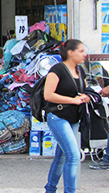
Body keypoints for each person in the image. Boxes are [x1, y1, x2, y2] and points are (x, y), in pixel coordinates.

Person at [44, 39, 91, 193]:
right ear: (71, 53)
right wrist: (73, 100)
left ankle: (50, 189)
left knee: (62, 156)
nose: (85, 54)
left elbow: (84, 90)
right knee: (73, 155)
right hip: (57, 116)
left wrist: (87, 97)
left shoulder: (80, 71)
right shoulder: (57, 70)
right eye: (81, 51)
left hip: (74, 117)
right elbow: (48, 95)